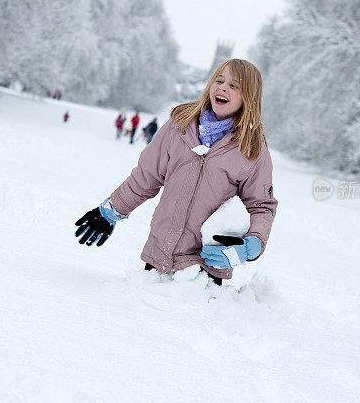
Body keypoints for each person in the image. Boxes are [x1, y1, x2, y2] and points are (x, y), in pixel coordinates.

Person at [74, 59, 277, 287]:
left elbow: (261, 205)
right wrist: (111, 211)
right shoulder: (180, 125)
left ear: (249, 97)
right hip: (159, 256)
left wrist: (253, 243)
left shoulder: (251, 149)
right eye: (219, 81)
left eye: (234, 86)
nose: (223, 88)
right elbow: (146, 177)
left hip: (208, 269)